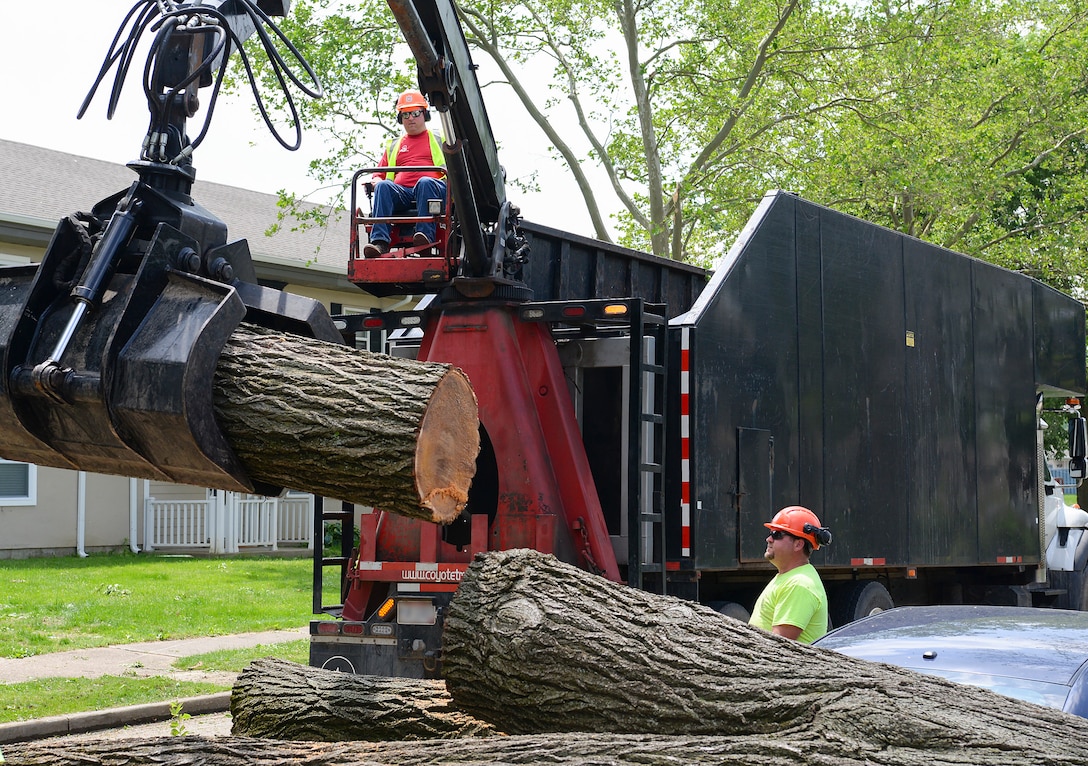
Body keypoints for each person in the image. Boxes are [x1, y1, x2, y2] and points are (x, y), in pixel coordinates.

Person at [362, 89, 447, 257]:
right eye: (405, 114)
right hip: (403, 194)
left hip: (435, 191)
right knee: (385, 185)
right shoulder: (394, 145)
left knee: (425, 182)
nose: (411, 118)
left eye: (415, 113)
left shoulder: (441, 138)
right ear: (400, 118)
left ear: (424, 114)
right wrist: (377, 181)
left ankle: (425, 236)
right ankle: (379, 242)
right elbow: (378, 174)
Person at [748, 505, 831, 643]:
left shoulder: (799, 584)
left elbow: (778, 646)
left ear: (798, 544)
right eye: (771, 533)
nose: (769, 539)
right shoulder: (788, 577)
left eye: (777, 534)